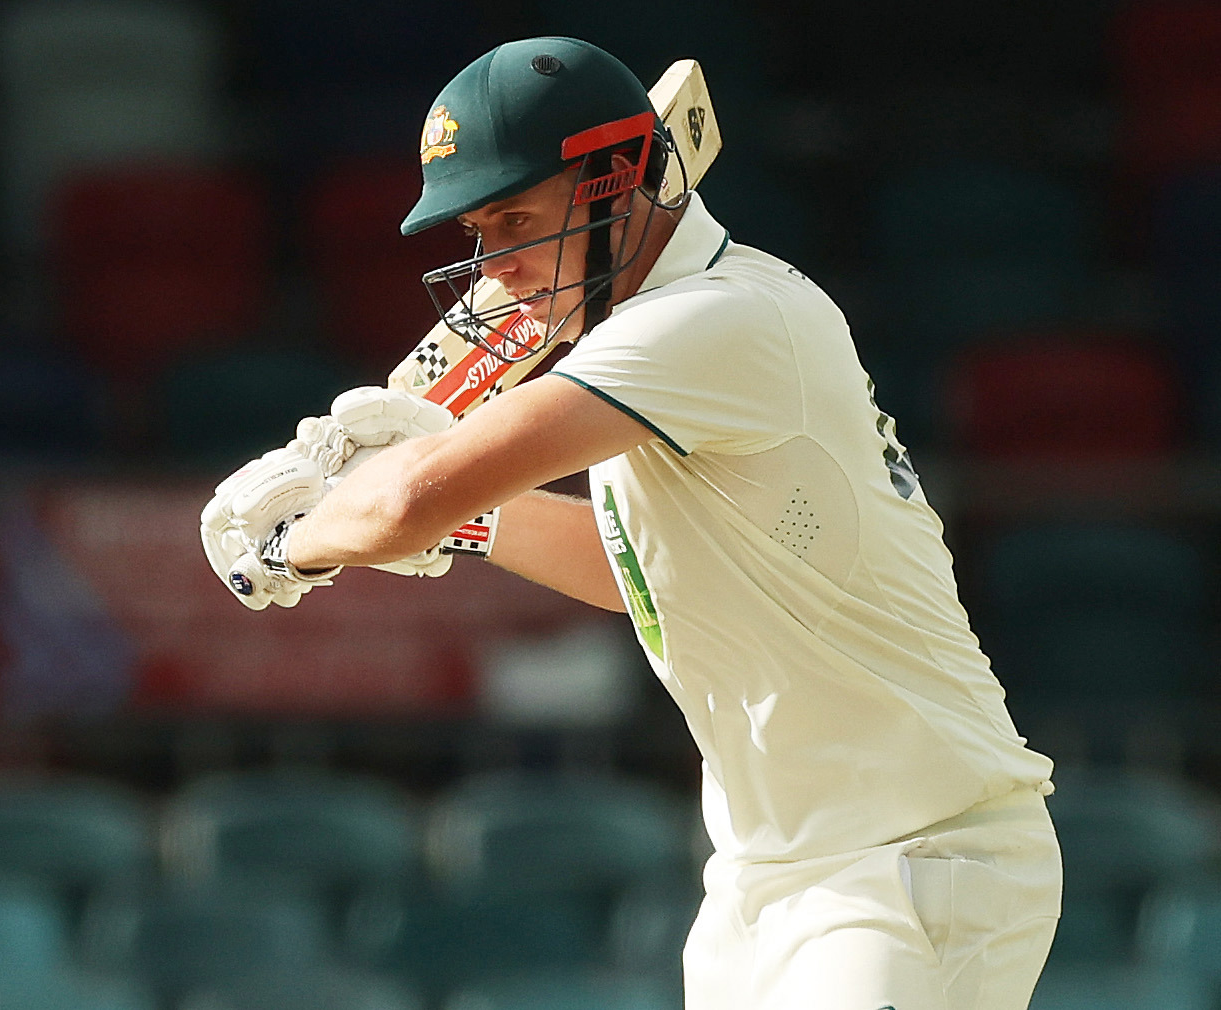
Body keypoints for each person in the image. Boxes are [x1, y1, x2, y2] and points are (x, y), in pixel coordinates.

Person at [199, 36, 1060, 1010]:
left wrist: (290, 541)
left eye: (516, 220)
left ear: (620, 180)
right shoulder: (643, 344)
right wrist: (463, 523)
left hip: (913, 857)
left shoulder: (708, 320)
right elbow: (636, 576)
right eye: (478, 231)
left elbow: (403, 502)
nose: (498, 267)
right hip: (759, 880)